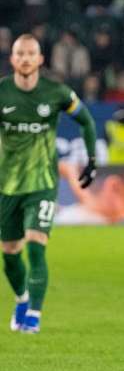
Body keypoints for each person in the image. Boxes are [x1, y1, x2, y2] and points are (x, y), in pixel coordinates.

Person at [1, 34, 97, 333]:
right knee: (9, 254)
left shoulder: (56, 92)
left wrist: (92, 159)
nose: (25, 58)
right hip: (7, 186)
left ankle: (34, 315)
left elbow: (87, 121)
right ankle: (22, 298)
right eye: (20, 54)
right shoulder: (2, 92)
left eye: (31, 53)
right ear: (12, 59)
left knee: (36, 246)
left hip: (42, 182)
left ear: (40, 59)